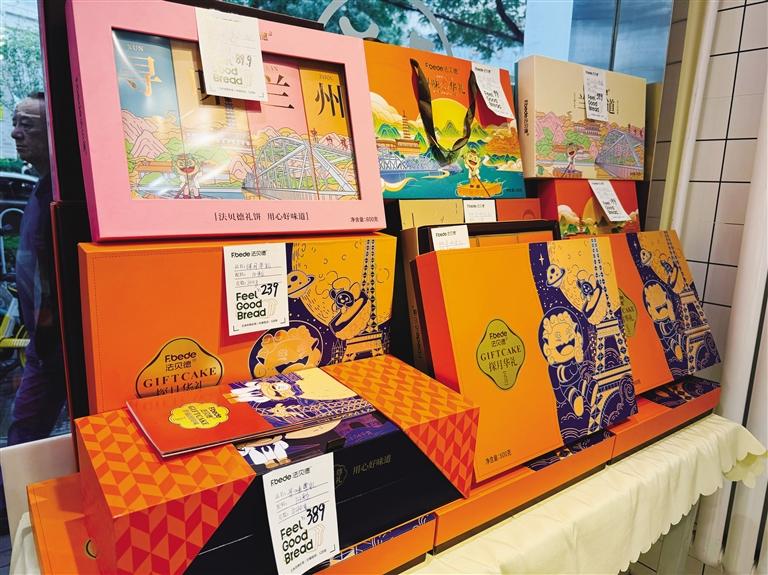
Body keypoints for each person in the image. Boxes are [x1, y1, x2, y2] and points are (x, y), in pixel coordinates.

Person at [1, 93, 67, 532]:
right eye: (15, 122)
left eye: (27, 124)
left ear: (52, 130)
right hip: (47, 344)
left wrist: (45, 331)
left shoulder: (62, 193)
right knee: (26, 429)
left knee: (26, 428)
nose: (15, 133)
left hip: (58, 344)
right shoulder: (44, 189)